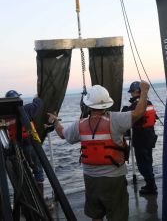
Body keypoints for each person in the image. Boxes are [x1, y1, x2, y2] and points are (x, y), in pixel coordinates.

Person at [47, 81, 149, 221]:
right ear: (107, 103)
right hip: (114, 179)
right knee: (117, 215)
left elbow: (62, 134)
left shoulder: (79, 124)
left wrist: (55, 121)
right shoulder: (116, 119)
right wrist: (144, 92)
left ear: (88, 104)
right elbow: (139, 112)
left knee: (96, 215)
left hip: (90, 179)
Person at [5, 90, 44, 195]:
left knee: (22, 173)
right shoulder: (25, 109)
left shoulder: (6, 116)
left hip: (15, 147)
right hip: (28, 144)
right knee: (37, 171)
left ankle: (26, 199)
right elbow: (37, 104)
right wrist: (37, 97)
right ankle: (40, 201)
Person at [127, 81, 158, 195]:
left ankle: (151, 186)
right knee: (148, 161)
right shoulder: (149, 102)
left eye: (132, 92)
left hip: (141, 138)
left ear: (137, 91)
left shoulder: (136, 105)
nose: (131, 95)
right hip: (150, 136)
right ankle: (151, 184)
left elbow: (126, 117)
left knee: (142, 164)